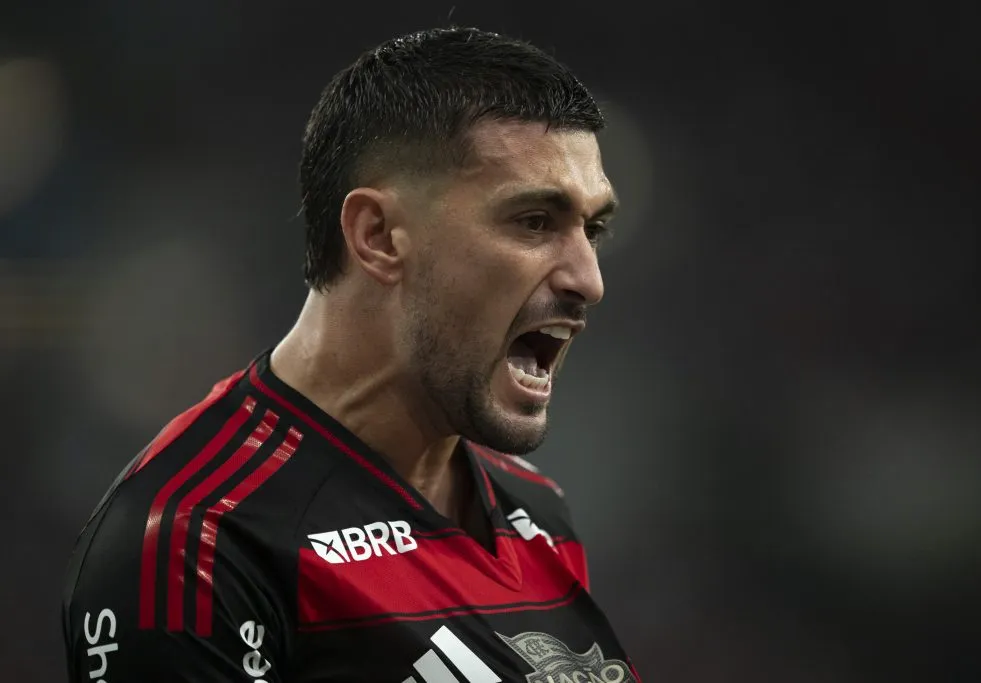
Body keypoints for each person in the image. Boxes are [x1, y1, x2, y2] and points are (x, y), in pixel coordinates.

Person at [62, 26, 640, 682]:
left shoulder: (539, 512)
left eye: (592, 229)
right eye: (534, 221)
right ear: (379, 236)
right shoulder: (202, 542)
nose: (588, 278)